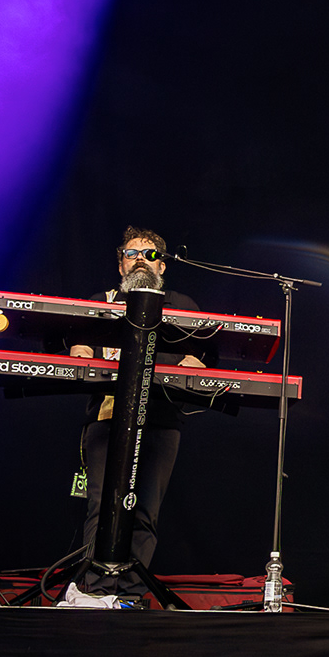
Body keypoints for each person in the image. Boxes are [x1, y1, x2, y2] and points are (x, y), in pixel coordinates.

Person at [58, 227, 216, 609]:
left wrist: (191, 363)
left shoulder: (182, 304)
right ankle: (93, 591)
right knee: (101, 504)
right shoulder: (102, 302)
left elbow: (201, 357)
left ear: (163, 265)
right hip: (108, 416)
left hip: (160, 419)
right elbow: (76, 344)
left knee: (144, 509)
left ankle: (126, 595)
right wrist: (81, 350)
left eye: (150, 254)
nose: (140, 260)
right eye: (132, 254)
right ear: (120, 264)